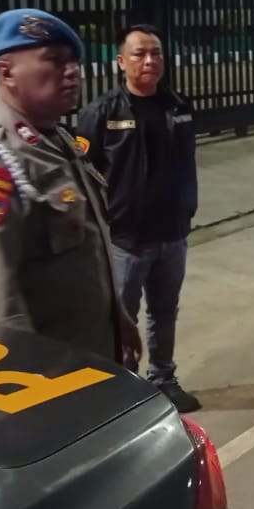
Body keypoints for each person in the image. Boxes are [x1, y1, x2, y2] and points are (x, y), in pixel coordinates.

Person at [0, 8, 142, 367]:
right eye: (54, 60)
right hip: (49, 376)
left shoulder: (57, 141)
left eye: (73, 61)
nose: (72, 71)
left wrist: (117, 317)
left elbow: (88, 249)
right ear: (7, 73)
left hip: (90, 356)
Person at [77, 24, 200, 413]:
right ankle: (121, 390)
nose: (150, 60)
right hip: (125, 240)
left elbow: (188, 165)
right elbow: (83, 177)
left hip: (172, 235)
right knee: (120, 320)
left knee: (164, 312)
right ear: (120, 61)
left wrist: (187, 210)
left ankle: (163, 380)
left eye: (156, 53)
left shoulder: (178, 107)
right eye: (140, 53)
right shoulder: (101, 113)